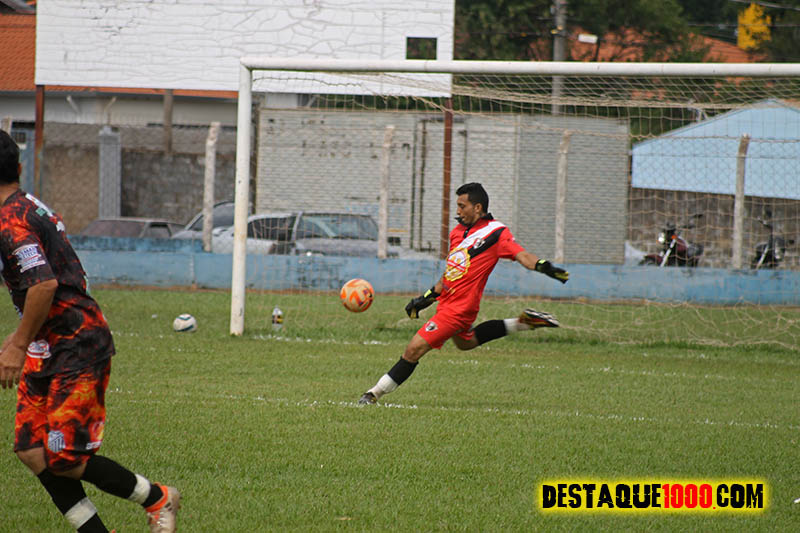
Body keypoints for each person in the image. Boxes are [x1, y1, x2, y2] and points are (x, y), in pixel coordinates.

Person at [0, 130, 180, 533]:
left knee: (66, 458)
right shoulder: (22, 205)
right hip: (48, 344)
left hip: (77, 342)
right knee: (32, 449)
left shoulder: (11, 221)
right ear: (20, 167)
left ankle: (158, 498)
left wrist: (17, 344)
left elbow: (43, 284)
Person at [359, 182, 569, 405]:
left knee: (414, 348)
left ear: (477, 208)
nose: (458, 211)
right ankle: (523, 323)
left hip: (459, 309)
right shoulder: (457, 233)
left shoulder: (496, 233)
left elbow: (522, 255)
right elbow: (451, 273)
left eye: (462, 206)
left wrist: (544, 266)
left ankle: (373, 394)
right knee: (466, 343)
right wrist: (425, 298)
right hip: (449, 304)